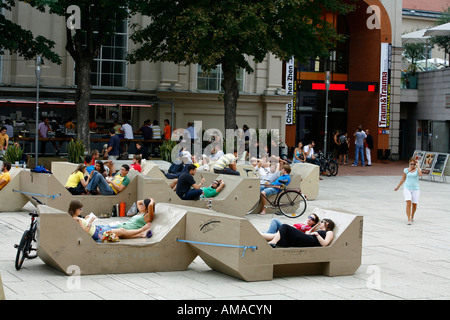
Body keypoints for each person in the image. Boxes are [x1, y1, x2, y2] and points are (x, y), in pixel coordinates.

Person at [68, 200, 152, 242]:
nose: (81, 210)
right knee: (121, 231)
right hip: (98, 234)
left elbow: (83, 226)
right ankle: (141, 230)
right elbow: (84, 233)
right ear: (75, 209)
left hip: (98, 229)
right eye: (80, 209)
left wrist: (86, 219)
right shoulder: (77, 219)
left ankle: (141, 234)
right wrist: (90, 222)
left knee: (120, 233)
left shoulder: (76, 218)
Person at [263, 218, 335, 248]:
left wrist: (316, 234)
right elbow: (307, 233)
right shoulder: (318, 231)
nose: (320, 223)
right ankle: (257, 235)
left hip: (308, 240)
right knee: (276, 235)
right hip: (306, 239)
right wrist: (314, 228)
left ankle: (273, 242)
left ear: (327, 223)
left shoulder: (329, 232)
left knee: (285, 226)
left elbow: (325, 243)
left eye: (322, 222)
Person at [394, 157, 422, 225]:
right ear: (409, 163)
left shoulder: (417, 170)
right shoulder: (406, 170)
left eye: (414, 164)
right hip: (407, 188)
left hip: (416, 189)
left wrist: (418, 166)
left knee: (414, 204)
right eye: (411, 163)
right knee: (408, 202)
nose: (412, 165)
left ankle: (412, 216)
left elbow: (420, 174)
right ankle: (409, 219)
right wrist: (398, 187)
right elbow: (403, 179)